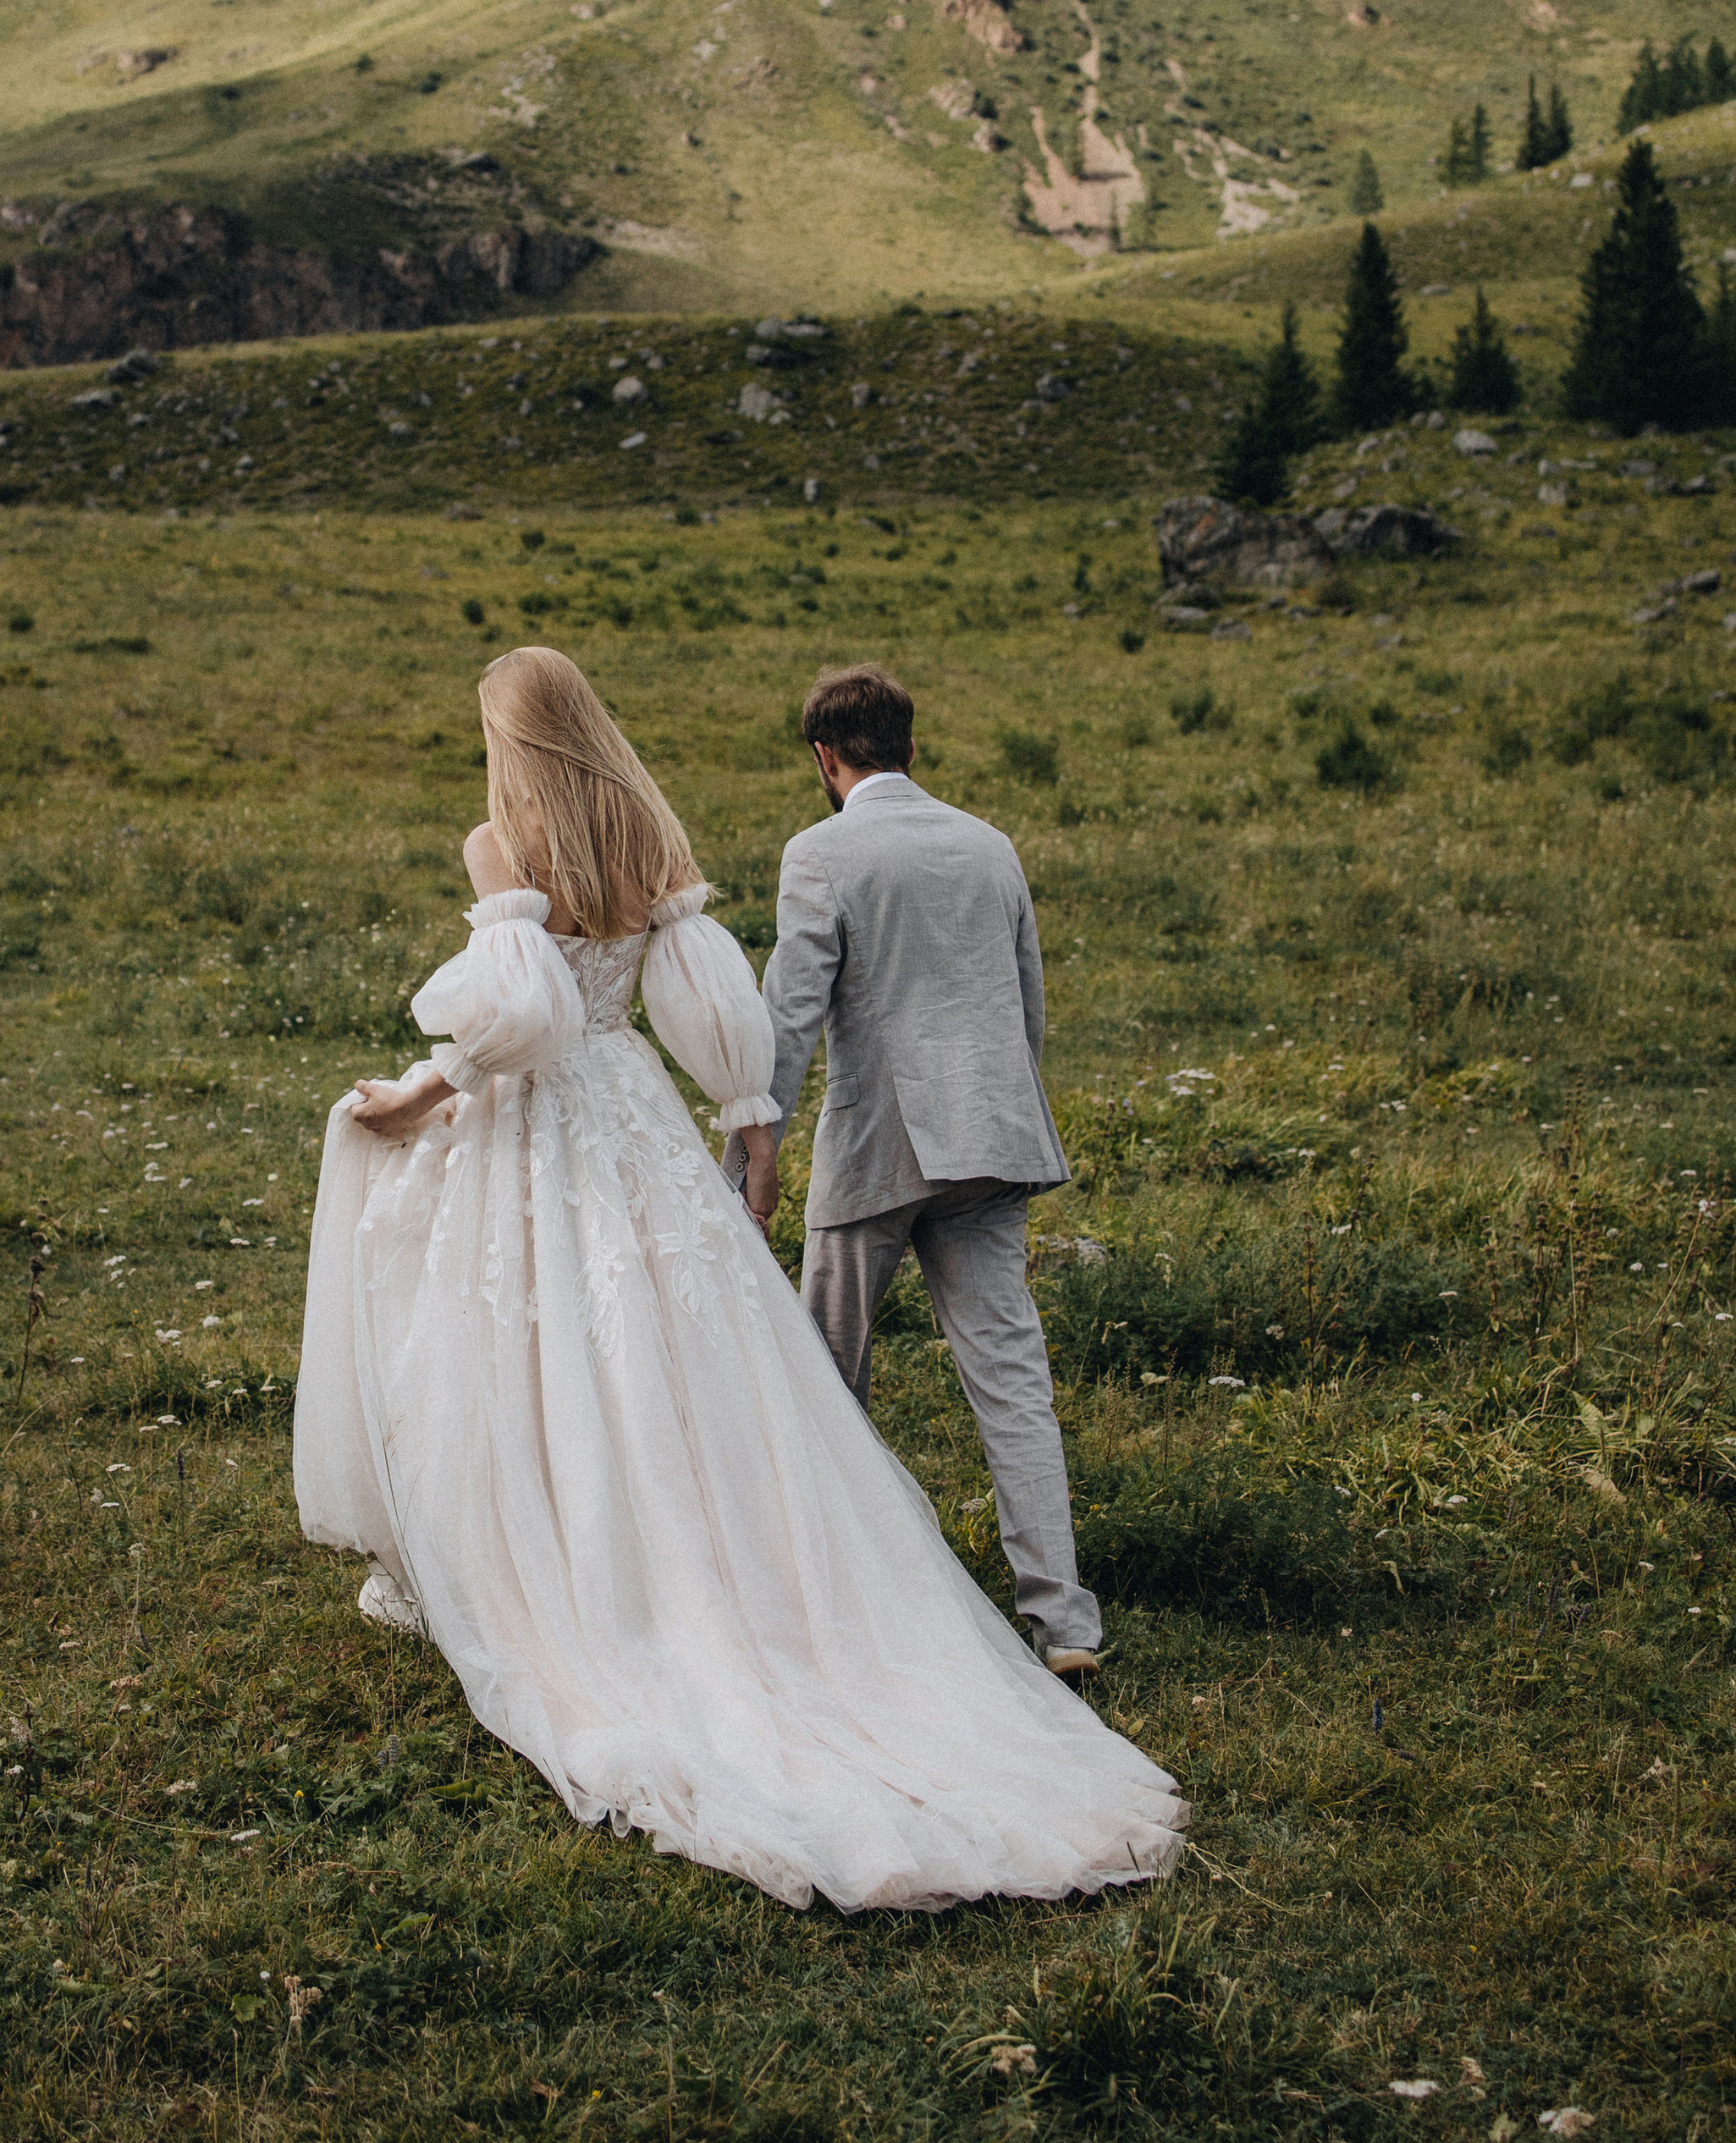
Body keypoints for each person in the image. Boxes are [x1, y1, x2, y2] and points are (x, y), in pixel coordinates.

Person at [294, 643, 1183, 1914]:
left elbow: (520, 1019)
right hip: (656, 1113)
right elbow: (708, 999)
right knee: (706, 1348)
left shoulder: (500, 845)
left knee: (523, 1338)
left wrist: (418, 1092)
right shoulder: (652, 836)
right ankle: (1010, 1603)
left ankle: (546, 1565)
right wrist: (748, 1117)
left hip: (556, 1116)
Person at [729, 664, 1105, 1680]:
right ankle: (1065, 1620)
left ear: (824, 757)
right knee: (1012, 1380)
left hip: (877, 1151)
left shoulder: (821, 853)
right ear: (909, 745)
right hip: (994, 1141)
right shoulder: (989, 845)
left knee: (826, 1376)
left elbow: (789, 1018)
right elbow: (1027, 1004)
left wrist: (748, 1156)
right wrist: (1010, 1119)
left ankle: (826, 1599)